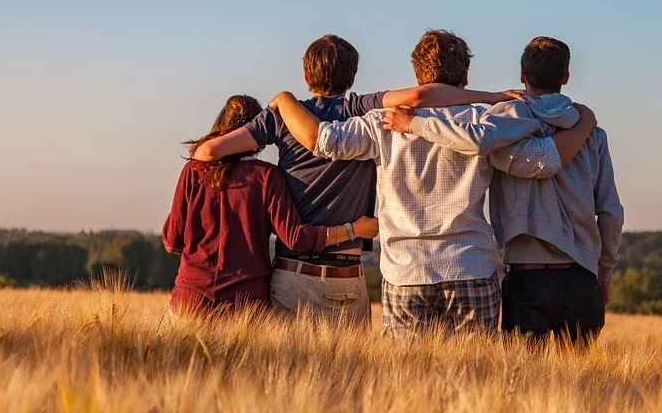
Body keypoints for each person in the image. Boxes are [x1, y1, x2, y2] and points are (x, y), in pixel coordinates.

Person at [268, 30, 597, 335]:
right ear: (465, 76)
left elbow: (323, 140)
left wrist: (285, 100)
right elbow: (541, 162)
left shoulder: (381, 122)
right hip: (471, 266)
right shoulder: (485, 122)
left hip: (406, 271)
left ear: (417, 75)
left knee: (406, 381)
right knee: (476, 380)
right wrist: (584, 123)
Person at [191, 34, 523, 323]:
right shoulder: (361, 109)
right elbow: (421, 97)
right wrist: (492, 97)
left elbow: (207, 153)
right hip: (351, 274)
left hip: (295, 272)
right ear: (353, 76)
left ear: (306, 75)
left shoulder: (282, 116)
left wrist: (280, 104)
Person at [384, 36, 623, 345]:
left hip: (526, 278)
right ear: (565, 77)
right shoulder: (592, 134)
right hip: (581, 277)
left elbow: (476, 141)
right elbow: (611, 213)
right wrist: (605, 272)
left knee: (522, 384)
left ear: (523, 76)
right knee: (580, 387)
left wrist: (415, 124)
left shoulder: (502, 125)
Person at [162, 95, 378, 315]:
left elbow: (172, 241)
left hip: (190, 299)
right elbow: (296, 238)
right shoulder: (266, 177)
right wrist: (354, 230)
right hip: (245, 304)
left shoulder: (193, 171)